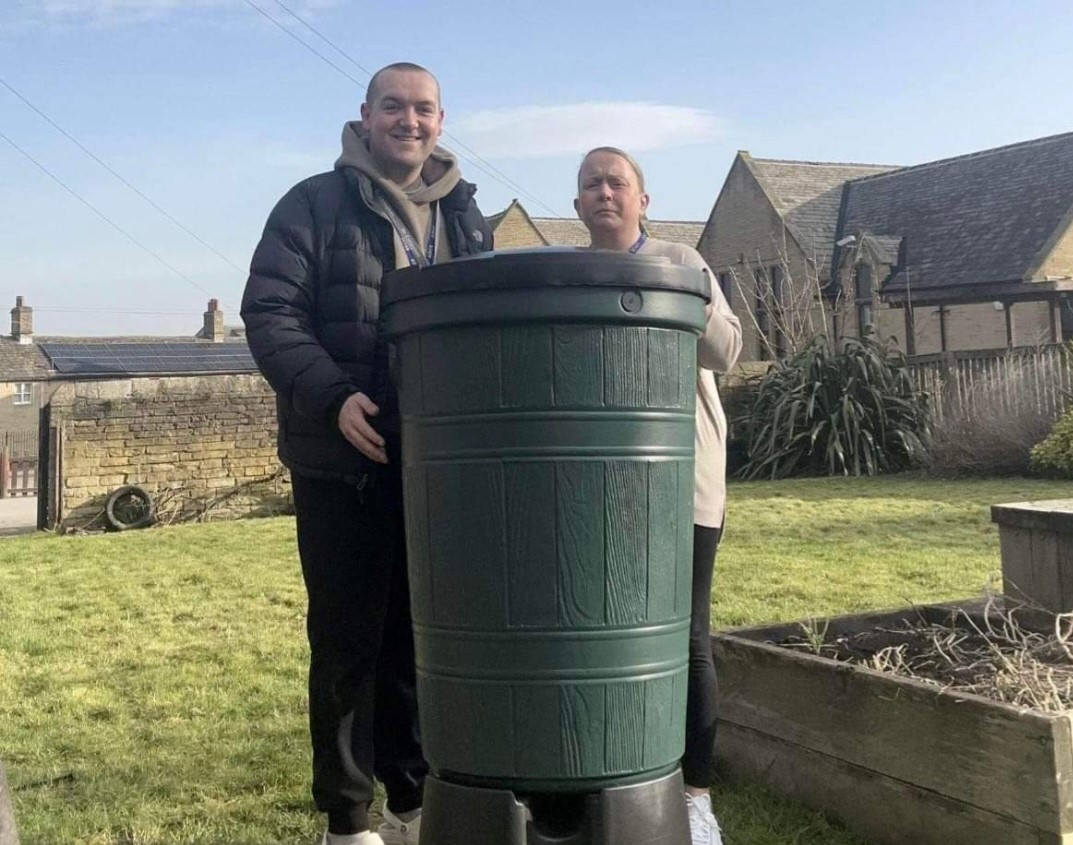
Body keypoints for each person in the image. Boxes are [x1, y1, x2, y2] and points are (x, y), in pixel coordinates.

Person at [241, 62, 493, 845]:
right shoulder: (312, 203)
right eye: (394, 107)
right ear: (365, 115)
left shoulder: (467, 215)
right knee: (348, 642)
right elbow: (270, 311)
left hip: (436, 466)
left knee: (418, 640)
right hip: (340, 458)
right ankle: (348, 821)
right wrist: (333, 395)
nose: (408, 121)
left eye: (422, 110)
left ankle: (411, 803)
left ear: (440, 121)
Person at [574, 147, 742, 845]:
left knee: (687, 635)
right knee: (599, 633)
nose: (604, 192)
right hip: (597, 487)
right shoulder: (571, 273)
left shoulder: (681, 260)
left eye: (617, 182)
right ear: (579, 204)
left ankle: (695, 797)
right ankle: (608, 774)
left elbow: (726, 351)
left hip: (683, 481)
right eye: (592, 184)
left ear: (642, 200)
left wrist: (670, 293)